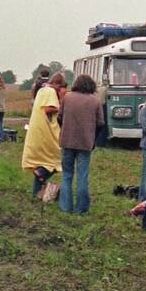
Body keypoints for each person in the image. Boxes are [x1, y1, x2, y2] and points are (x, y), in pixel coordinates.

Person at [58, 74, 104, 213]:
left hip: (67, 140)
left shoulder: (67, 97)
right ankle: (81, 208)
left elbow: (60, 117)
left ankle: (65, 206)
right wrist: (93, 138)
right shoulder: (95, 101)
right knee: (82, 175)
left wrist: (65, 129)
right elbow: (100, 123)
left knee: (66, 174)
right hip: (85, 142)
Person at [22, 72, 66, 196]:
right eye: (60, 87)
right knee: (58, 158)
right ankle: (42, 173)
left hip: (36, 129)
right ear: (57, 84)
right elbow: (48, 109)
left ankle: (36, 193)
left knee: (42, 161)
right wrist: (61, 107)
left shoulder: (41, 90)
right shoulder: (51, 92)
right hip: (45, 130)